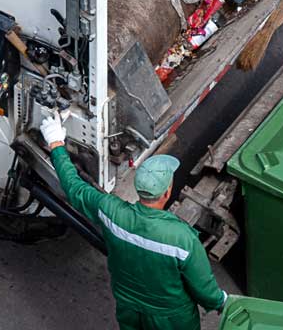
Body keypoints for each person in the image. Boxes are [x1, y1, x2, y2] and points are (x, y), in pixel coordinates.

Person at [41, 113, 227, 329]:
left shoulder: (111, 211)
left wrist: (56, 142)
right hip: (172, 320)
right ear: (167, 193)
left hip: (129, 310)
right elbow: (205, 291)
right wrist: (222, 302)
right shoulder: (182, 239)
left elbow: (74, 187)